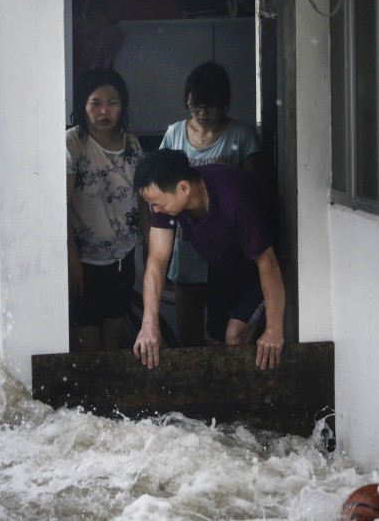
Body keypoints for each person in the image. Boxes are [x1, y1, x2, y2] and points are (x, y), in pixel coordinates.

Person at [132, 149, 284, 370]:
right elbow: (157, 261)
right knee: (215, 337)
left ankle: (242, 399)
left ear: (183, 188)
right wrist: (149, 324)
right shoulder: (168, 197)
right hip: (222, 264)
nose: (156, 210)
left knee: (235, 335)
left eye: (158, 204)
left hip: (260, 265)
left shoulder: (233, 198)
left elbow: (267, 262)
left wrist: (274, 330)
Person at [159, 61, 262, 345]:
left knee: (225, 334)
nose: (203, 113)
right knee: (189, 339)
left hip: (230, 252)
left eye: (211, 106)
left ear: (224, 104)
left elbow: (256, 192)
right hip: (188, 249)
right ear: (187, 101)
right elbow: (160, 187)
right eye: (196, 106)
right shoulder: (175, 135)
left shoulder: (241, 136)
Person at [66, 68, 147, 351]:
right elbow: (61, 208)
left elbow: (144, 201)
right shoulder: (72, 143)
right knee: (87, 346)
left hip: (123, 260)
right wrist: (72, 260)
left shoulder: (132, 144)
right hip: (84, 264)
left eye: (112, 102)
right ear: (83, 105)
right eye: (96, 103)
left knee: (112, 343)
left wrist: (150, 251)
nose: (104, 111)